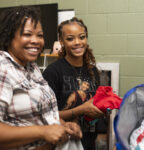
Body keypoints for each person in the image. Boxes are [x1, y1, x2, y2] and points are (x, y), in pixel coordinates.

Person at [0, 6, 82, 150]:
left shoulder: (31, 67)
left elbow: (40, 115)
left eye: (40, 35)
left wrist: (63, 124)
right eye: (27, 34)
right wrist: (42, 132)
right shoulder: (4, 69)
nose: (36, 41)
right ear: (9, 36)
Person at [43, 17, 105, 150]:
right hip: (64, 143)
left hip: (89, 141)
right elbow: (47, 116)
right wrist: (81, 110)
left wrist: (104, 108)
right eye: (70, 39)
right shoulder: (53, 72)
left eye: (81, 37)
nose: (77, 42)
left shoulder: (92, 70)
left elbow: (95, 104)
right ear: (62, 41)